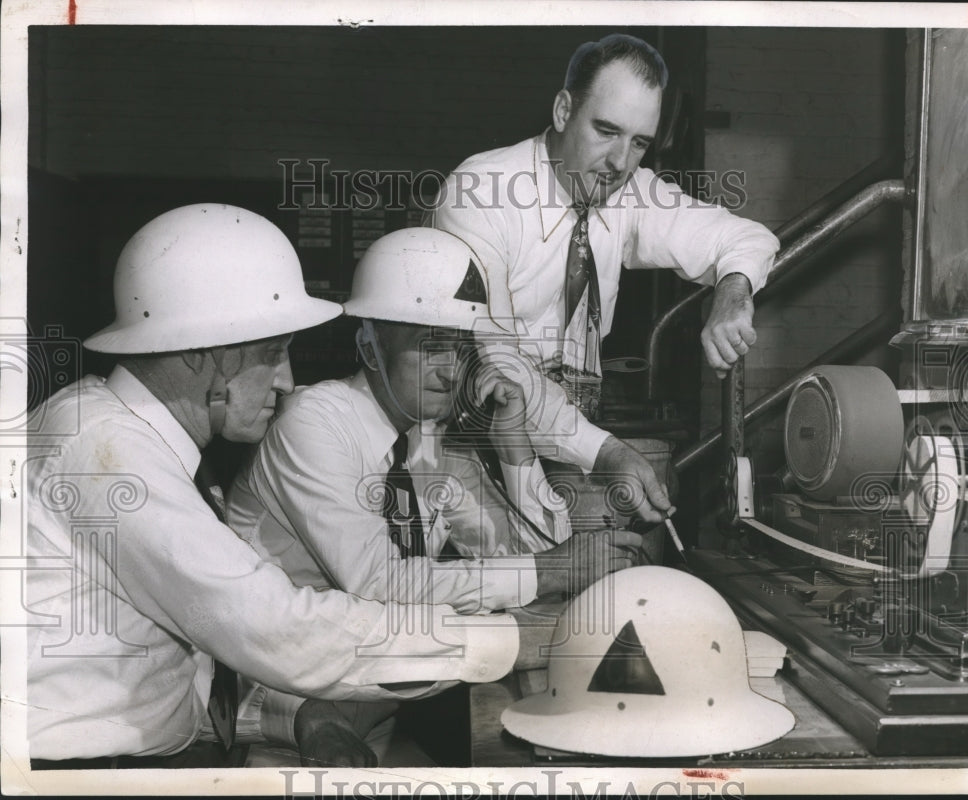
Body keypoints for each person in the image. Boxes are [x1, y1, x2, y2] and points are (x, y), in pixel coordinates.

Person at [23, 204, 565, 771]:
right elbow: (275, 628)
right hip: (75, 774)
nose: (286, 381)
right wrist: (506, 642)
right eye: (270, 354)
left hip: (155, 757)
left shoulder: (127, 438)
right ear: (199, 348)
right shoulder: (108, 453)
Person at [425, 33, 779, 523]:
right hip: (461, 450)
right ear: (564, 110)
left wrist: (732, 289)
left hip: (566, 441)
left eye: (639, 143)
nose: (619, 162)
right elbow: (499, 366)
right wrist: (608, 453)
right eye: (606, 130)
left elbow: (747, 237)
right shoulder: (481, 194)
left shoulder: (629, 193)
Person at [226, 226, 642, 615]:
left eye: (461, 350)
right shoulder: (312, 425)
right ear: (370, 349)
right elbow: (376, 583)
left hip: (390, 673)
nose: (451, 370)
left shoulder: (428, 442)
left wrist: (512, 441)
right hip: (295, 685)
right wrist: (552, 569)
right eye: (431, 348)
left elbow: (537, 554)